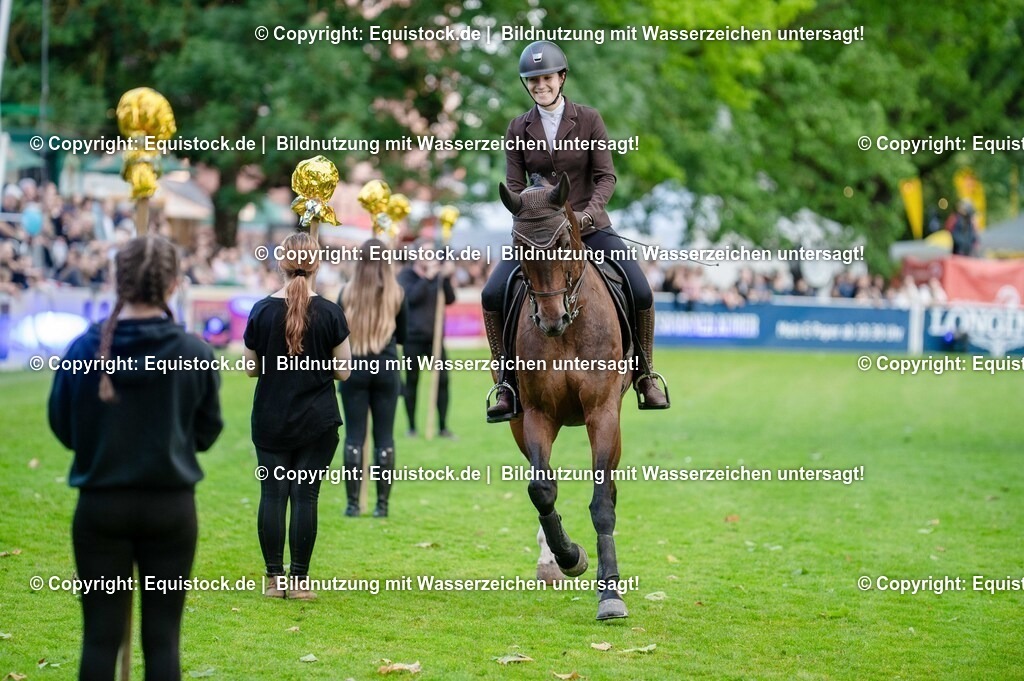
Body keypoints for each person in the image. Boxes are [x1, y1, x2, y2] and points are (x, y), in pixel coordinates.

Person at [48, 235, 223, 681]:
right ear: (174, 284)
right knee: (163, 641)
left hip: (101, 507)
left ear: (116, 281)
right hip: (169, 509)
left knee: (99, 640)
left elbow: (63, 425)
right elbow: (206, 433)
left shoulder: (82, 350)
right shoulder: (194, 352)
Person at [481, 41, 670, 421]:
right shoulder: (518, 127)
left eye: (547, 78)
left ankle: (645, 375)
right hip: (540, 234)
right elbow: (514, 186)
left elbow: (606, 177)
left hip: (589, 226)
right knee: (491, 293)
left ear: (561, 77)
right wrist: (532, 216)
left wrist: (586, 214)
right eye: (533, 80)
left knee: (641, 289)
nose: (540, 86)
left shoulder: (588, 119)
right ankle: (506, 382)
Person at [242, 232, 351, 600]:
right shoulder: (331, 312)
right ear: (316, 265)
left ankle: (274, 580)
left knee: (273, 495)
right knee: (306, 497)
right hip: (317, 419)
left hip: (271, 417)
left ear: (281, 264)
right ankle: (300, 581)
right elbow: (344, 371)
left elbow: (251, 368)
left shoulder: (261, 310)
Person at [337, 238, 408, 517]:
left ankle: (353, 504)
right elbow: (403, 336)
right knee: (384, 438)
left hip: (354, 368)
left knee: (354, 437)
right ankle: (382, 505)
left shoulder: (346, 293)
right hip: (386, 369)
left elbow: (337, 335)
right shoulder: (397, 294)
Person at [397, 243, 457, 438]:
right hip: (413, 338)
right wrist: (428, 277)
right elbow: (410, 299)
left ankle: (443, 427)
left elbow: (450, 298)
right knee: (412, 381)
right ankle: (412, 427)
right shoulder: (406, 276)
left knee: (442, 380)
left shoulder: (437, 277)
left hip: (435, 340)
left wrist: (445, 277)